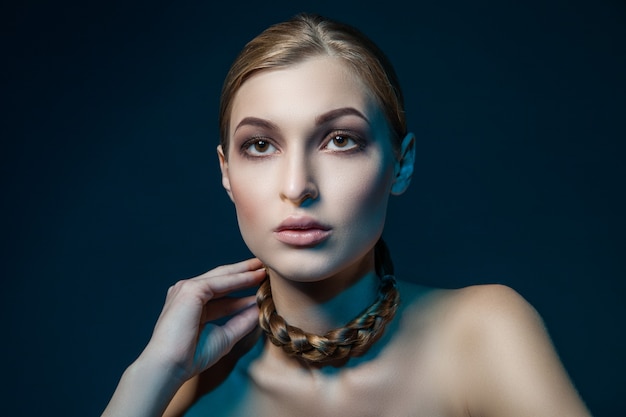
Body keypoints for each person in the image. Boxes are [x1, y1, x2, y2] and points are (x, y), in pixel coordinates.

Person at [102, 13, 591, 417]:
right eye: (260, 145)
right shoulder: (193, 374)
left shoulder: (480, 332)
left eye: (340, 140)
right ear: (226, 172)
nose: (297, 186)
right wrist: (150, 374)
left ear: (400, 164)